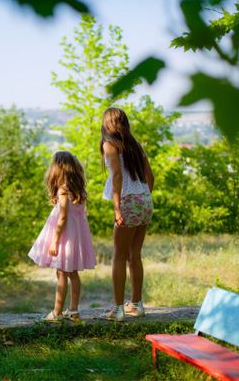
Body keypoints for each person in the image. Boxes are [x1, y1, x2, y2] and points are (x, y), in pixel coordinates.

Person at [28, 151, 96, 321]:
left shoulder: (63, 190)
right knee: (72, 273)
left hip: (65, 236)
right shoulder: (77, 189)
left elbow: (63, 217)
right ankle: (73, 310)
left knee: (62, 273)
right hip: (74, 236)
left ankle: (57, 313)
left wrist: (54, 241)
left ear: (57, 169)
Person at [100, 107, 154, 321]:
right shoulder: (135, 145)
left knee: (119, 255)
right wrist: (144, 196)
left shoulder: (110, 145)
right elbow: (150, 176)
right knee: (135, 255)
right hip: (144, 201)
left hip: (127, 202)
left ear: (107, 124)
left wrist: (117, 207)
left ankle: (118, 309)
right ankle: (137, 305)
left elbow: (117, 178)